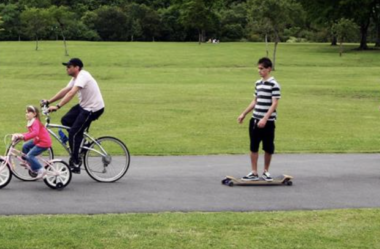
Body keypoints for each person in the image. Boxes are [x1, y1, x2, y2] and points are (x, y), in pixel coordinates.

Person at [43, 58, 105, 173]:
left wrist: (57, 106)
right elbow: (65, 90)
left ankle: (75, 162)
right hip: (84, 106)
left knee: (73, 133)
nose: (67, 68)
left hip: (93, 109)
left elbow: (72, 93)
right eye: (67, 66)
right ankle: (80, 142)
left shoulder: (83, 76)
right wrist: (48, 102)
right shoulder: (75, 78)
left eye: (69, 66)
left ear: (77, 68)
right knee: (66, 120)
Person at [237, 57, 281, 181]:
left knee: (268, 147)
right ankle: (254, 172)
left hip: (268, 122)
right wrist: (244, 114)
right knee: (253, 146)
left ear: (269, 69)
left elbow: (274, 103)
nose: (259, 71)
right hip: (255, 120)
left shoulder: (274, 84)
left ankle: (266, 172)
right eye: (258, 68)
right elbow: (255, 101)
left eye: (262, 69)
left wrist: (265, 119)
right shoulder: (258, 83)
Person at [12, 106, 52, 179]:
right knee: (25, 146)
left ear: (34, 114)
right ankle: (28, 162)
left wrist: (24, 137)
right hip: (38, 140)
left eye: (29, 112)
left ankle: (41, 170)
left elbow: (35, 133)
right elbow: (30, 133)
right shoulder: (31, 121)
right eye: (26, 112)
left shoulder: (35, 122)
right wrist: (20, 135)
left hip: (44, 142)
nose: (26, 114)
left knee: (30, 155)